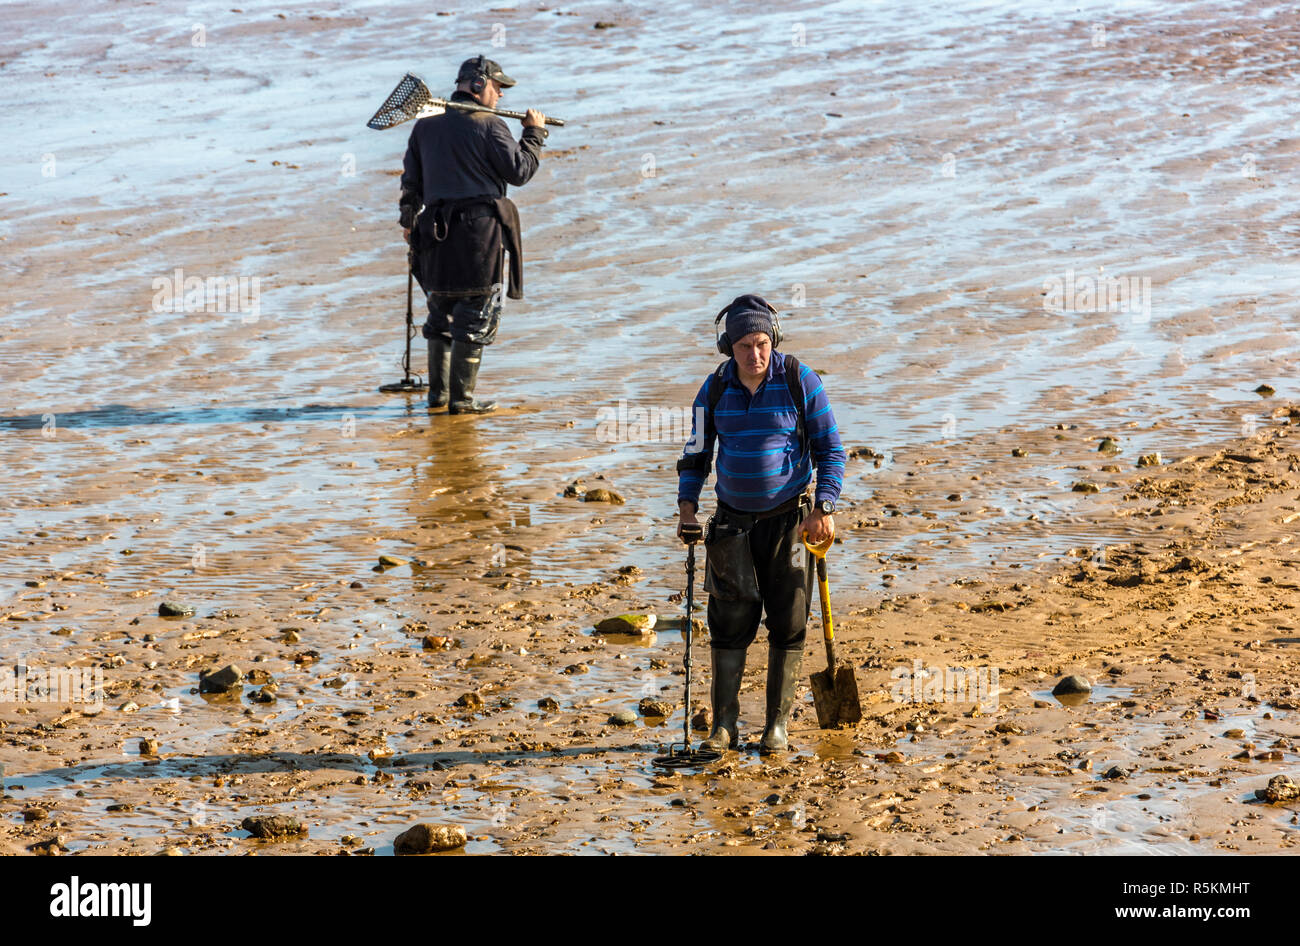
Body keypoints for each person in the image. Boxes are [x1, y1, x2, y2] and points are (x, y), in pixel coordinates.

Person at [676, 294, 846, 754]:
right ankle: (724, 728)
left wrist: (823, 508)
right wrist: (687, 508)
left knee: (789, 623)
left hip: (791, 522)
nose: (755, 355)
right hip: (731, 526)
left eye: (762, 343)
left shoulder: (799, 380)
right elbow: (694, 456)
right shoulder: (712, 390)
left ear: (773, 339)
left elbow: (832, 451)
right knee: (728, 624)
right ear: (727, 348)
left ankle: (776, 727)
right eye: (745, 346)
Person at [399, 55, 548, 414]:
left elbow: (410, 181)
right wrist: (534, 134)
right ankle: (462, 401)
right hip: (478, 233)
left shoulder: (425, 124)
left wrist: (408, 221)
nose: (499, 97)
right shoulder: (489, 125)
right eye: (498, 89)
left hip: (433, 232)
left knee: (441, 311)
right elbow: (519, 171)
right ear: (479, 85)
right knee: (475, 312)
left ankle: (438, 398)